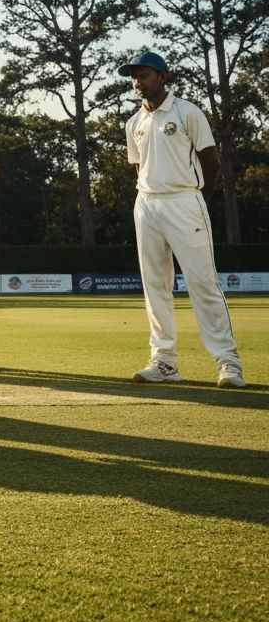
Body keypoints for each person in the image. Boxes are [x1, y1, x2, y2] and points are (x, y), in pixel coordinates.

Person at [119, 50, 245, 388]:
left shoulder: (188, 112)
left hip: (184, 201)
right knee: (155, 286)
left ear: (163, 77)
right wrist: (153, 195)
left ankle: (228, 363)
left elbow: (211, 162)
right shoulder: (134, 123)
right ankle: (164, 362)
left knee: (203, 283)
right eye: (134, 77)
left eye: (144, 75)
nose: (137, 82)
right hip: (146, 204)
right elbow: (139, 168)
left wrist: (194, 198)